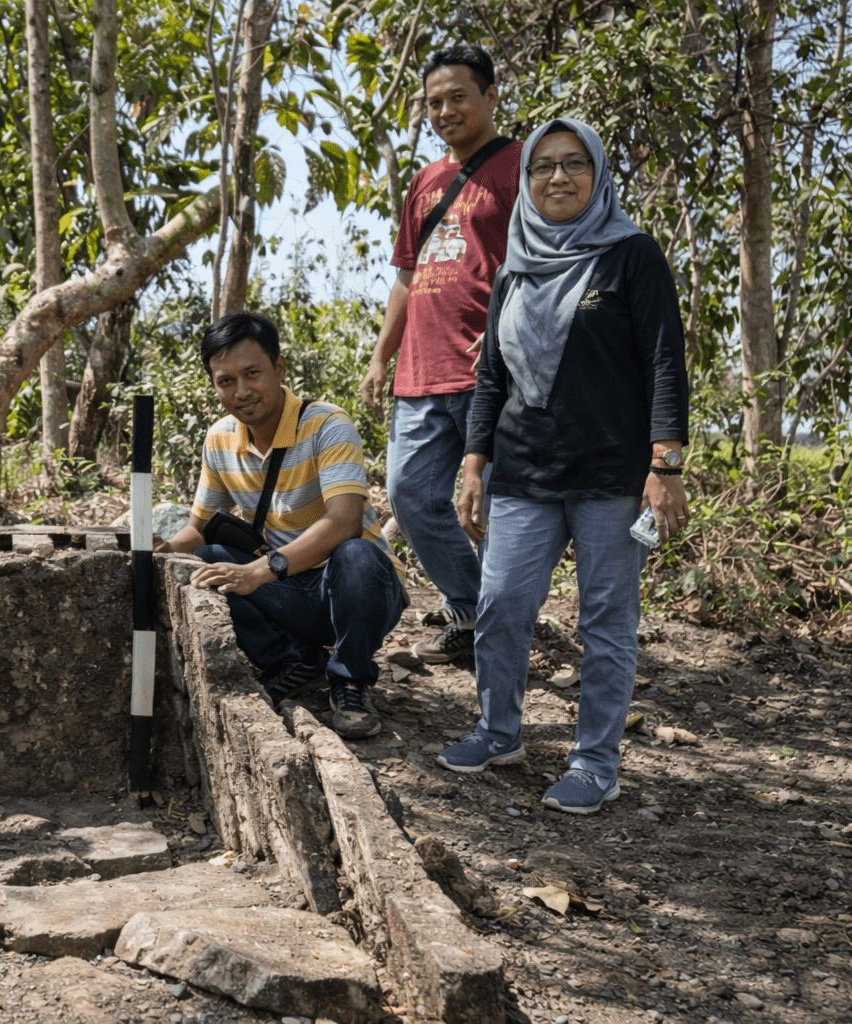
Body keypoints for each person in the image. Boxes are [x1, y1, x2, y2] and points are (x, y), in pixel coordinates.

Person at [438, 117, 689, 814]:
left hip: (612, 472)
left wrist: (665, 466)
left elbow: (666, 359)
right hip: (523, 470)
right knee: (500, 606)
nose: (556, 177)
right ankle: (498, 730)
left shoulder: (632, 255)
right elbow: (490, 376)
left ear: (598, 173)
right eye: (543, 165)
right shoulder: (515, 265)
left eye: (573, 163)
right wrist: (473, 463)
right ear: (526, 179)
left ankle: (595, 763)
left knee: (605, 621)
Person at [156, 313, 407, 740]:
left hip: (355, 592)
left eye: (252, 374)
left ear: (280, 368)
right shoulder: (219, 439)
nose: (242, 391)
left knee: (357, 554)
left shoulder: (327, 425)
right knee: (206, 560)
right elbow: (197, 530)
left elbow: (345, 521)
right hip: (290, 593)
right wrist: (155, 556)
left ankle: (350, 680)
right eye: (225, 381)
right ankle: (292, 660)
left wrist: (258, 571)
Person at [360, 45, 521, 664]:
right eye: (434, 101)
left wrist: (511, 331)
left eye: (458, 96)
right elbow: (407, 273)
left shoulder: (518, 167)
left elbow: (540, 265)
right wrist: (382, 355)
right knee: (409, 494)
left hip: (491, 372)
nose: (446, 110)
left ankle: (499, 632)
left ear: (489, 97)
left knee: (499, 508)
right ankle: (476, 609)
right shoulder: (426, 181)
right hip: (420, 371)